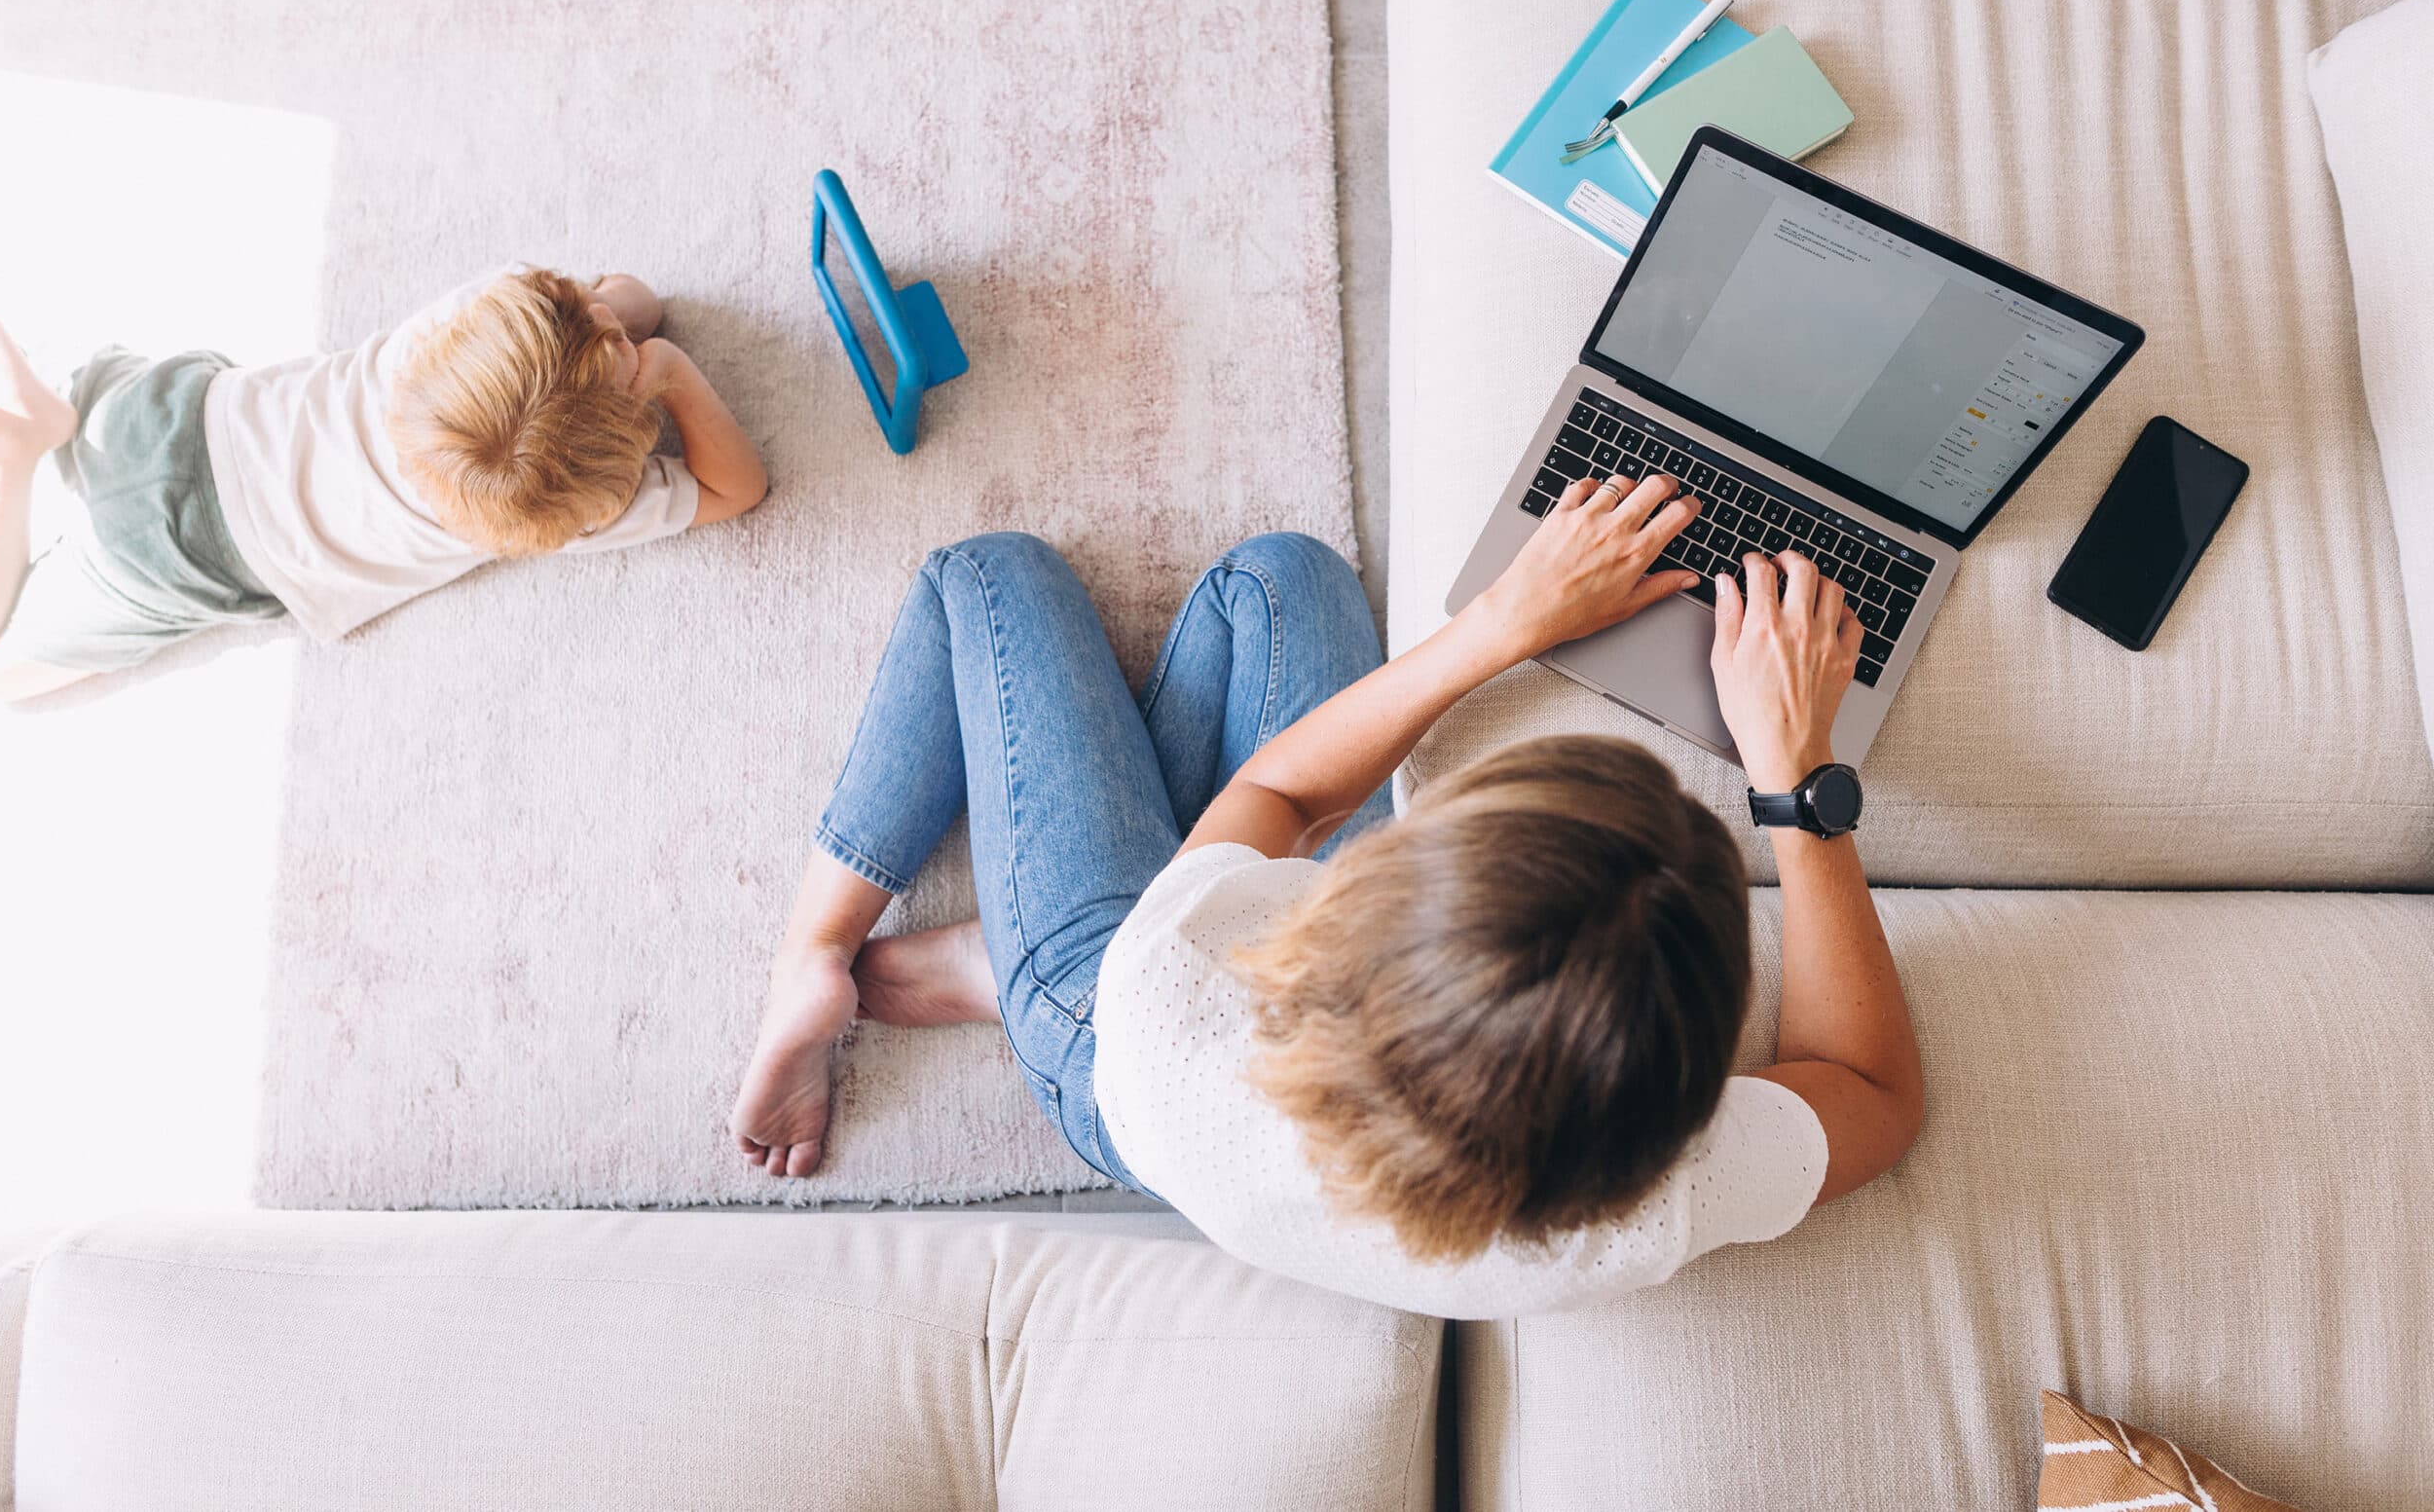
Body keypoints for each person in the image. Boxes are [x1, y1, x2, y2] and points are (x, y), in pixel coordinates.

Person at [729, 470, 1922, 1316]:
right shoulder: (1652, 1198)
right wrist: (1792, 786)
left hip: (1105, 1031)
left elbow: (1288, 797)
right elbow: (1875, 1091)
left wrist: (1504, 622)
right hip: (1197, 998)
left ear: (1354, 910)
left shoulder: (1194, 982)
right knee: (1280, 580)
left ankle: (835, 963)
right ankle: (1005, 949)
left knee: (990, 575)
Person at [0, 268, 768, 701]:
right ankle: (15, 455)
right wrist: (670, 374)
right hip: (179, 552)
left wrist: (607, 325)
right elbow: (741, 489)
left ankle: (50, 422)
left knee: (98, 395)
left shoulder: (475, 314)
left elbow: (630, 295)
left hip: (168, 405)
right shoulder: (564, 512)